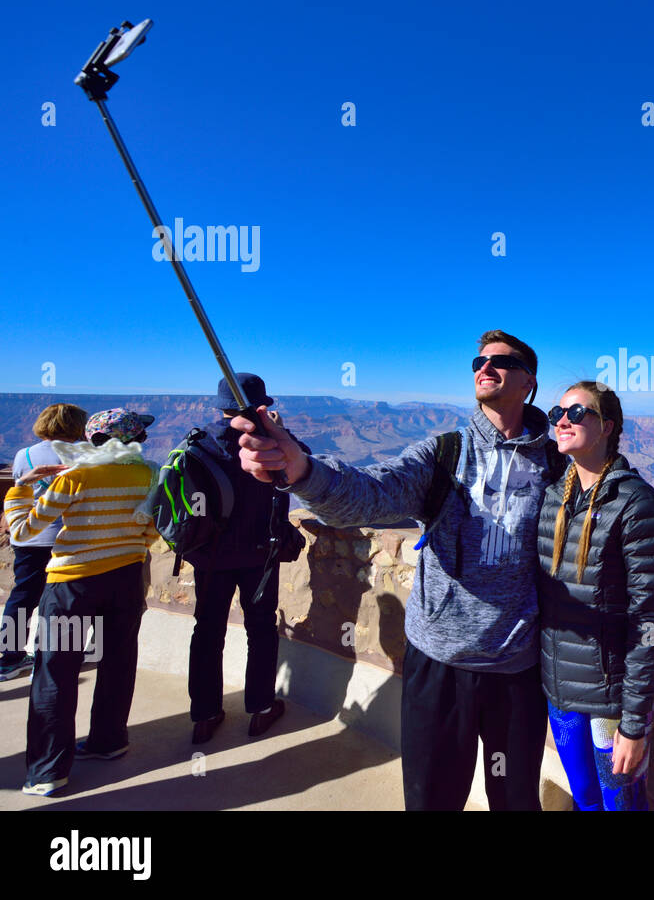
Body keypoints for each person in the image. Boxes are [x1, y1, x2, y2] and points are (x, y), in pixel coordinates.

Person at [232, 330, 557, 810]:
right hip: (438, 663)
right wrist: (302, 469)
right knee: (431, 799)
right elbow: (372, 493)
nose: (484, 368)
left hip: (517, 670)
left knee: (515, 800)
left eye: (501, 361)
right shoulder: (445, 453)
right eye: (477, 361)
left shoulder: (555, 464)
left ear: (528, 381)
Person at [4, 408, 157, 796]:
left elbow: (23, 531)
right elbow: (153, 529)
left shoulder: (75, 476)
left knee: (57, 671)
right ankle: (109, 741)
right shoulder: (151, 473)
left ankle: (48, 771)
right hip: (126, 578)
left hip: (74, 585)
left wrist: (20, 487)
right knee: (118, 661)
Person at [537, 382, 654, 811]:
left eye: (577, 413)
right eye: (559, 411)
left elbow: (647, 618)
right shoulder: (556, 495)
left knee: (622, 806)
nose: (562, 420)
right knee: (587, 801)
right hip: (561, 697)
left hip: (609, 705)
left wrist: (634, 724)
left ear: (607, 426)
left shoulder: (635, 502)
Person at [186, 374, 311, 744]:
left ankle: (205, 715)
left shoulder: (198, 442)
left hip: (208, 557)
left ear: (220, 406)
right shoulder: (271, 444)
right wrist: (281, 432)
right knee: (260, 630)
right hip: (259, 555)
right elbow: (306, 470)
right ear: (261, 406)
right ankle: (260, 709)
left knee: (207, 631)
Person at [2, 404, 88, 681]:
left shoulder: (23, 455)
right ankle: (52, 658)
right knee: (64, 601)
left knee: (23, 596)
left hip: (28, 536)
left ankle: (10, 657)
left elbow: (20, 489)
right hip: (66, 538)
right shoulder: (83, 456)